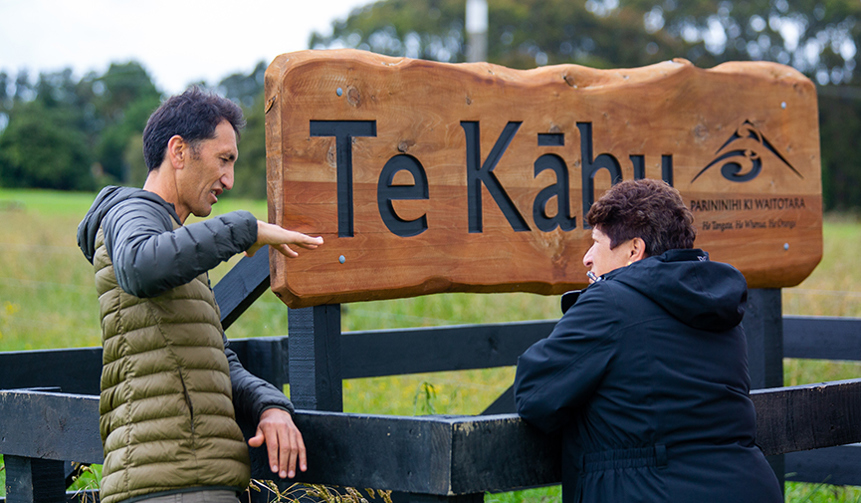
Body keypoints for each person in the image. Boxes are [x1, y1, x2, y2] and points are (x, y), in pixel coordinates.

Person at [77, 87, 323, 503]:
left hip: (193, 476)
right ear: (178, 152)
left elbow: (213, 362)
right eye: (223, 160)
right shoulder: (132, 212)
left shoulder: (175, 241)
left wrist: (270, 405)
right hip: (170, 483)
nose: (228, 179)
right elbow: (140, 266)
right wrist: (246, 229)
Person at [513, 179, 782, 503]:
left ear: (633, 250)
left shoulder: (609, 303)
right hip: (748, 488)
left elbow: (534, 393)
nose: (587, 258)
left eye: (596, 242)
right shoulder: (716, 306)